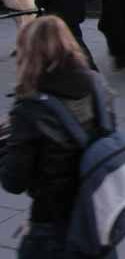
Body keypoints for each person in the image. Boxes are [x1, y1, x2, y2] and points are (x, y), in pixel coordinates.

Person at [1, 16, 116, 259]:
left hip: (53, 222)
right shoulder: (97, 84)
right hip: (97, 212)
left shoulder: (30, 108)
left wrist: (6, 141)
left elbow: (13, 181)